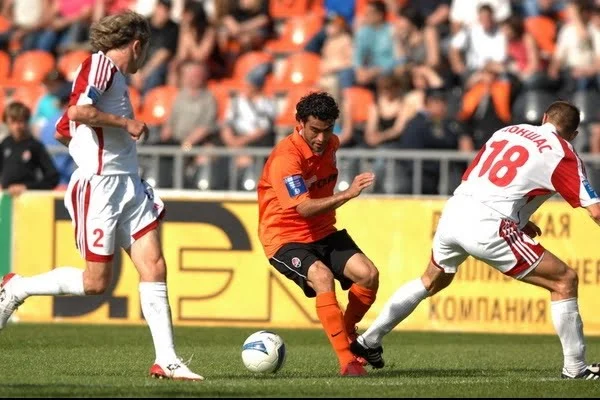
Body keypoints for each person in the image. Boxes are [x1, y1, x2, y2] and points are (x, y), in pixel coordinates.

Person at [0, 11, 204, 381]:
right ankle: (17, 287)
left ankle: (167, 359)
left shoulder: (114, 78)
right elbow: (79, 111)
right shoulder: (101, 66)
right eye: (145, 49)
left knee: (154, 266)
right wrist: (124, 125)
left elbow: (64, 128)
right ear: (137, 45)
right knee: (95, 284)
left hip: (129, 185)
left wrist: (90, 145)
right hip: (101, 189)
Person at [350, 101, 600, 380]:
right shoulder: (562, 151)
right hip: (490, 224)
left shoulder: (509, 131)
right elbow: (595, 211)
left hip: (455, 210)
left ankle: (369, 340)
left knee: (431, 280)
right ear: (574, 134)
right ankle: (576, 368)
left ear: (544, 118)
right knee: (564, 280)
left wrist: (518, 219)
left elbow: (483, 178)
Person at [257, 92, 380, 377]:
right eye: (315, 130)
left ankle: (347, 333)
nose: (322, 138)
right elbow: (303, 208)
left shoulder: (331, 144)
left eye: (328, 129)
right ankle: (347, 361)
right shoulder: (286, 158)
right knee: (322, 277)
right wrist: (347, 194)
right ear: (299, 123)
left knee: (368, 275)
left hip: (322, 231)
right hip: (284, 236)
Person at [0, 101, 59, 196]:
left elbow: (53, 177)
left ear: (27, 121)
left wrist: (27, 187)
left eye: (20, 121)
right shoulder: (5, 144)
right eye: (13, 122)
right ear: (6, 123)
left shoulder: (34, 145)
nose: (17, 126)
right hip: (6, 198)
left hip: (28, 199)